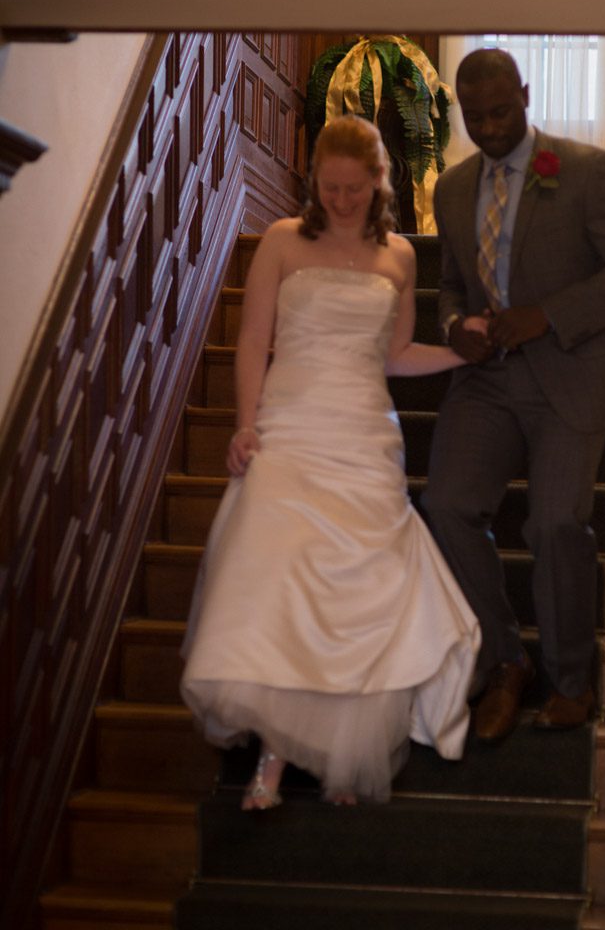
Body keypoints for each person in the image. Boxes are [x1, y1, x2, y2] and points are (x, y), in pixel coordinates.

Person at [180, 114, 481, 809]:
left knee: (356, 599)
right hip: (289, 429)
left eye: (354, 188)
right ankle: (272, 759)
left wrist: (461, 354)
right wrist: (245, 424)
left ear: (379, 182)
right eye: (330, 187)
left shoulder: (399, 256)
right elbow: (253, 340)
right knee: (280, 583)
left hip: (363, 436)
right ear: (314, 180)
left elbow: (394, 356)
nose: (341, 201)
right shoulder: (283, 241)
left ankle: (344, 754)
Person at [423, 48, 605, 741]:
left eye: (501, 111)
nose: (490, 127)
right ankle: (505, 661)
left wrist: (547, 316)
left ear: (525, 96)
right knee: (446, 507)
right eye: (475, 117)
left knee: (555, 524)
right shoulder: (452, 188)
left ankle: (569, 681)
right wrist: (452, 327)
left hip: (569, 369)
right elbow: (451, 287)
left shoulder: (583, 169)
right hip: (486, 380)